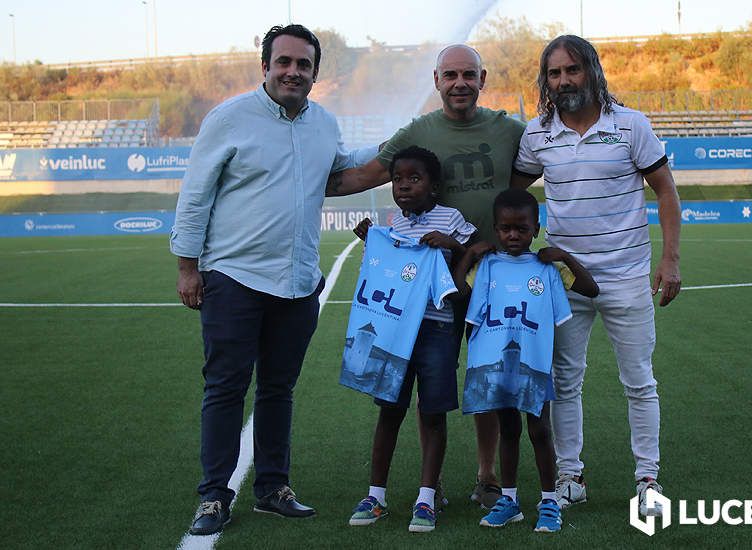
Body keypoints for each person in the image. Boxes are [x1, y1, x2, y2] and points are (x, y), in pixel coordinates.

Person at [170, 24, 376, 536]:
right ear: (265, 66)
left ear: (314, 73)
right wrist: (187, 267)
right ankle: (214, 495)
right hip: (234, 277)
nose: (292, 71)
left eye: (303, 64)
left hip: (299, 282)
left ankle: (272, 489)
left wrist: (400, 151)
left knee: (278, 390)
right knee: (225, 388)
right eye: (283, 62)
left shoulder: (323, 124)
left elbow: (342, 169)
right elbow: (196, 194)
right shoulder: (229, 118)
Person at [327, 44, 526, 508]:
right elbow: (366, 175)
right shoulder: (419, 130)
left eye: (469, 75)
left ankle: (487, 474)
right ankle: (428, 487)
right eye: (450, 75)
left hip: (495, 276)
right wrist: (296, 179)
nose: (460, 83)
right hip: (429, 296)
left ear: (483, 78)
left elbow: (541, 165)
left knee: (488, 375)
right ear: (436, 80)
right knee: (427, 374)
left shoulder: (508, 129)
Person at [510, 35, 682, 515]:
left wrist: (670, 260)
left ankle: (648, 480)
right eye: (554, 73)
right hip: (566, 280)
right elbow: (512, 194)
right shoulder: (536, 133)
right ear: (546, 80)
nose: (563, 80)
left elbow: (666, 192)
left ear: (592, 70)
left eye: (572, 70)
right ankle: (570, 477)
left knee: (639, 381)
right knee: (564, 381)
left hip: (627, 277)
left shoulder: (630, 125)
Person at [345, 146, 476, 533]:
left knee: (432, 413)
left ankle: (426, 497)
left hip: (437, 330)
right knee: (389, 411)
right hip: (396, 332)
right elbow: (386, 275)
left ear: (434, 186)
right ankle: (376, 495)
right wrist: (374, 243)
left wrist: (452, 246)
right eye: (398, 179)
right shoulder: (393, 227)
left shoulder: (450, 218)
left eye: (414, 178)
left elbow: (476, 251)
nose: (404, 186)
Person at [453, 189, 598, 533]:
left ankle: (549, 502)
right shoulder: (486, 265)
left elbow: (590, 289)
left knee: (539, 430)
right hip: (497, 365)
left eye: (521, 228)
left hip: (533, 365)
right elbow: (457, 292)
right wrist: (471, 253)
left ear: (536, 228)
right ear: (496, 228)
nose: (513, 235)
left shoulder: (546, 267)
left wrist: (564, 255)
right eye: (505, 229)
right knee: (509, 430)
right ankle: (510, 499)